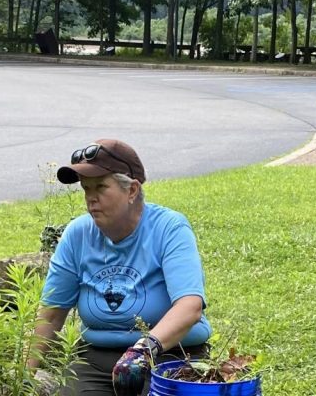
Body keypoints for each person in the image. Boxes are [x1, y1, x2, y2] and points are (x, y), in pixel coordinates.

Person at [26, 139, 212, 396]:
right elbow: (51, 314)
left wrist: (142, 351)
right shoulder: (77, 234)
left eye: (101, 187)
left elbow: (189, 307)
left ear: (132, 190)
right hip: (95, 361)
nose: (91, 198)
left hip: (168, 359)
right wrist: (23, 377)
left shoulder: (169, 228)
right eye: (86, 189)